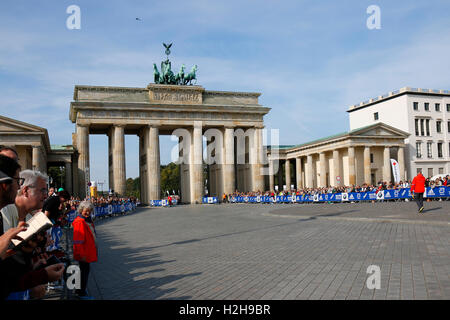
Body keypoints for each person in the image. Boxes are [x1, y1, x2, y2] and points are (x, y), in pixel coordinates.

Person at [72, 201, 98, 299]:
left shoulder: (87, 220)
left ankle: (80, 290)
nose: (88, 213)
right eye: (86, 211)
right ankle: (81, 292)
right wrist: (81, 254)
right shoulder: (80, 222)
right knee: (84, 271)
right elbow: (78, 240)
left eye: (90, 211)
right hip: (83, 253)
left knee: (84, 271)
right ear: (81, 210)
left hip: (86, 251)